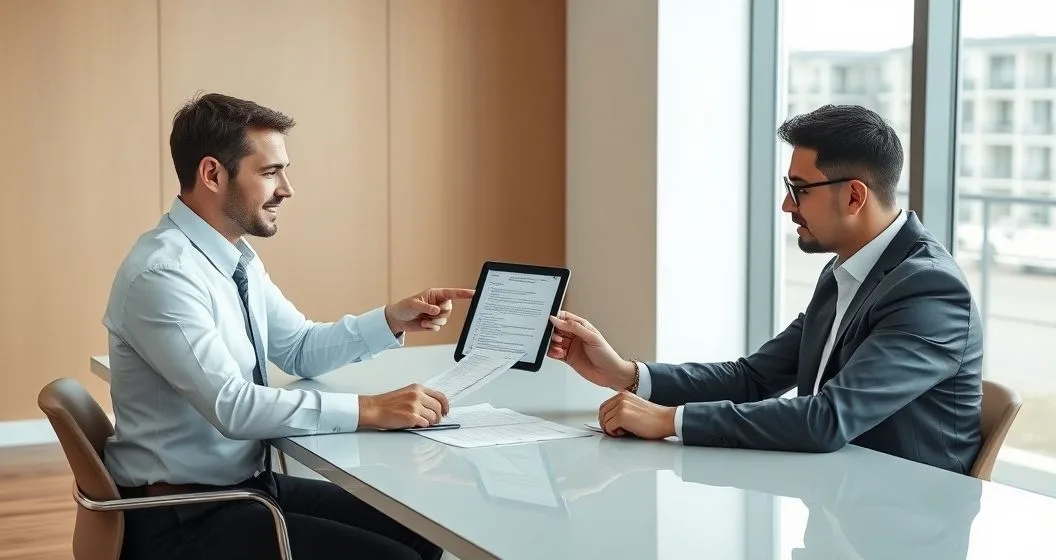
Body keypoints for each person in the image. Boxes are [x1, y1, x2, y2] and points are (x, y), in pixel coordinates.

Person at [102, 92, 471, 559]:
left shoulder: (233, 256)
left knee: (423, 528)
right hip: (183, 515)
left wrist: (391, 319)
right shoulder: (163, 274)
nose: (287, 189)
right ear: (213, 174)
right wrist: (370, 409)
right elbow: (232, 407)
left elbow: (298, 347)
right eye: (270, 171)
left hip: (247, 488)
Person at [548, 104, 983, 475]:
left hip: (906, 527)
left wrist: (669, 420)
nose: (787, 206)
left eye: (799, 189)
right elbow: (754, 378)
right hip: (837, 494)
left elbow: (828, 418)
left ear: (854, 197)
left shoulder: (927, 288)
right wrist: (626, 374)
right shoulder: (847, 271)